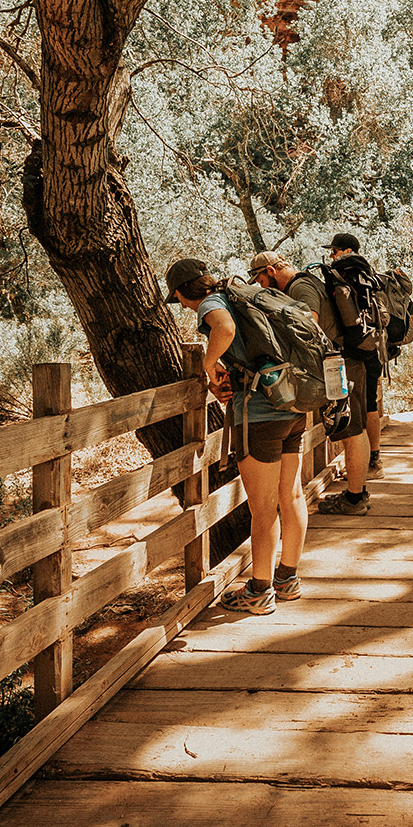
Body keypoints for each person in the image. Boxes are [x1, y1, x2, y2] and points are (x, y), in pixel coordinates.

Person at [164, 258, 307, 611]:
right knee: (292, 496)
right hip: (292, 405)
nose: (182, 305)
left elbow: (225, 329)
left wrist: (207, 364)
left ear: (182, 293)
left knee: (263, 508)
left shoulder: (212, 304)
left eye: (178, 299)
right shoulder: (244, 294)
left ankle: (259, 592)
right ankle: (287, 579)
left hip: (259, 415)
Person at [252, 236, 374, 517]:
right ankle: (357, 493)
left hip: (339, 364)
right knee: (354, 429)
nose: (260, 286)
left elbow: (309, 324)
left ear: (270, 271)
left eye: (260, 279)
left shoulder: (300, 286)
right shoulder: (307, 281)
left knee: (350, 431)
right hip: (347, 360)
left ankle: (355, 499)